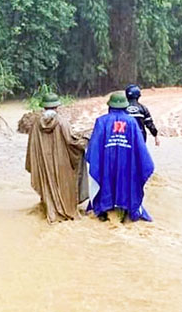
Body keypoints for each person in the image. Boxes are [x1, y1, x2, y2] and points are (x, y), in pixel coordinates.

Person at [86, 92, 155, 222]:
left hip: (106, 163)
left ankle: (105, 209)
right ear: (125, 106)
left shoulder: (101, 121)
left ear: (110, 106)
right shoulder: (132, 123)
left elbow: (94, 147)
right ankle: (126, 209)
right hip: (127, 164)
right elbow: (140, 149)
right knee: (127, 182)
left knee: (106, 180)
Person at [25, 93, 87, 223]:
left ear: (44, 107)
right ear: (57, 107)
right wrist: (85, 141)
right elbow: (72, 142)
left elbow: (31, 146)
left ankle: (49, 209)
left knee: (47, 185)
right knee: (63, 186)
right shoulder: (62, 122)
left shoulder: (36, 124)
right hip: (61, 163)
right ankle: (64, 211)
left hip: (43, 164)